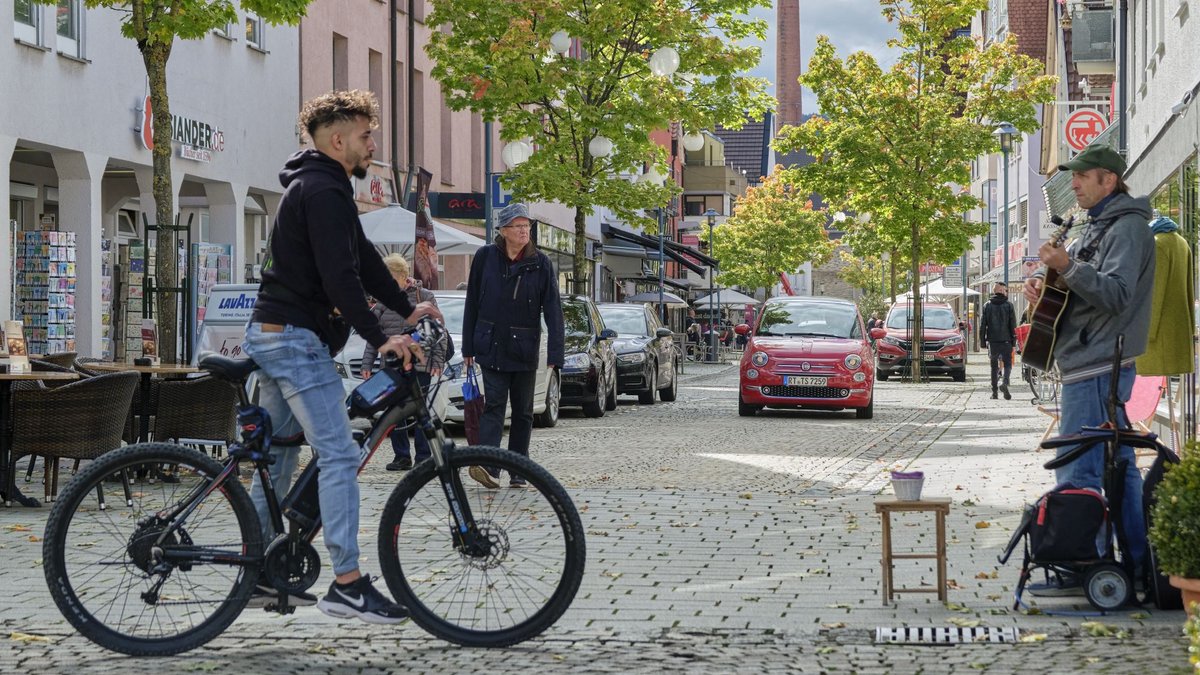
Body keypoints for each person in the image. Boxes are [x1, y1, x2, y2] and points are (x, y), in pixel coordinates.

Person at [245, 90, 442, 622]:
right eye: (365, 137)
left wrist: (407, 309)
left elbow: (366, 264)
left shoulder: (321, 186)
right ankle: (348, 584)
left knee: (282, 455)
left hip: (278, 333)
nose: (372, 146)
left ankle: (257, 569)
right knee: (338, 454)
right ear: (337, 140)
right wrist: (382, 339)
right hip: (292, 338)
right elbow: (341, 277)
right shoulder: (324, 190)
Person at [1021, 144, 1155, 594]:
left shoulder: (1128, 228)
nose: (1073, 185)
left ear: (1108, 181)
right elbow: (1082, 288)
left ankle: (1083, 564)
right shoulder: (1097, 225)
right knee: (1117, 468)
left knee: (1080, 468)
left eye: (1082, 177)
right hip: (1092, 361)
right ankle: (1135, 565)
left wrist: (1068, 268)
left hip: (1098, 364)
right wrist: (1047, 287)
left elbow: (1116, 295)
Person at [462, 202, 564, 489]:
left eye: (526, 226)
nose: (524, 231)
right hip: (490, 344)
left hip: (524, 347)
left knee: (523, 411)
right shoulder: (485, 258)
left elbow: (553, 310)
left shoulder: (540, 263)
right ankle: (489, 467)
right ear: (503, 231)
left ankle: (519, 468)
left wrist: (556, 353)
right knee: (494, 405)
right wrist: (467, 347)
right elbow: (472, 302)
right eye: (518, 226)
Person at [360, 254, 444, 472]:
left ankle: (424, 456)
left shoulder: (424, 296)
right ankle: (401, 456)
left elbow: (437, 332)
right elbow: (373, 336)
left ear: (401, 276)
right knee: (394, 411)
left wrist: (437, 361)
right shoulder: (382, 301)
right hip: (392, 365)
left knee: (420, 410)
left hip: (420, 363)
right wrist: (367, 364)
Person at [979, 282, 1018, 400]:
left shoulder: (987, 305)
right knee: (1007, 364)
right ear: (1001, 291)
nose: (1006, 292)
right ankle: (1005, 383)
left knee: (994, 366)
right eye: (1005, 290)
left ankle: (994, 393)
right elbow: (1013, 325)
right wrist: (1014, 342)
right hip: (1006, 340)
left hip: (993, 340)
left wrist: (982, 341)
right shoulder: (1009, 305)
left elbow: (983, 325)